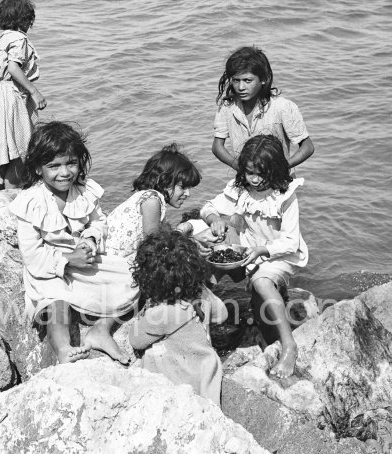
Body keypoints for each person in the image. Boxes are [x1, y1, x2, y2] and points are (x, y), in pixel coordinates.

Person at [9, 121, 138, 365]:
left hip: (83, 260)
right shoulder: (31, 202)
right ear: (38, 169)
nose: (64, 172)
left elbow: (99, 222)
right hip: (51, 268)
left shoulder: (84, 191)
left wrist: (89, 239)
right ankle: (64, 348)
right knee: (56, 302)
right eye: (53, 166)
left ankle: (101, 329)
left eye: (71, 163)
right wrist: (69, 260)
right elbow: (33, 257)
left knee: (134, 278)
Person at [200, 134, 308, 378]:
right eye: (249, 173)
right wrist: (215, 220)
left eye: (261, 174)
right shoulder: (241, 189)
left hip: (279, 254)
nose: (255, 180)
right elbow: (208, 207)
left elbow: (291, 241)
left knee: (261, 283)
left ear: (275, 169)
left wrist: (262, 250)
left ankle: (290, 346)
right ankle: (196, 323)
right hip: (249, 252)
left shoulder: (285, 195)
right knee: (214, 259)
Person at [128, 225, 227, 405]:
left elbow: (135, 339)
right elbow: (223, 315)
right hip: (205, 368)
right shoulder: (200, 293)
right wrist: (201, 287)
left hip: (180, 378)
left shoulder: (162, 313)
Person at [212, 46, 314, 171]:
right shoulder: (227, 108)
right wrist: (239, 166)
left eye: (247, 80)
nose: (241, 87)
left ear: (263, 79)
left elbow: (307, 146)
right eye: (236, 80)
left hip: (279, 182)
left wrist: (281, 168)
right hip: (246, 180)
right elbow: (217, 146)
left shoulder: (282, 107)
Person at [0, 0, 48, 189]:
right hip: (11, 97)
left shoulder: (2, 39)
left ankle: (9, 191)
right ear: (25, 19)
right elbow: (13, 68)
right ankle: (12, 196)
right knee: (21, 149)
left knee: (8, 148)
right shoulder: (20, 39)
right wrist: (34, 92)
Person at [106, 143, 209, 261]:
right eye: (183, 187)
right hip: (115, 263)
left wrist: (189, 240)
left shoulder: (148, 197)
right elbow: (153, 246)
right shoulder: (152, 200)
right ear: (163, 181)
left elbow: (164, 238)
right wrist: (190, 248)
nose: (187, 194)